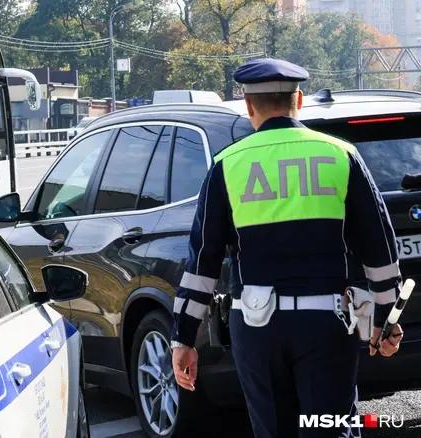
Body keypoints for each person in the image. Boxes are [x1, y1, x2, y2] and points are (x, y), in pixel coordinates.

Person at [170, 58, 404, 438]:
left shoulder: (227, 165)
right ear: (299, 99)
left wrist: (183, 337)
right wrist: (386, 321)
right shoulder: (341, 155)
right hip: (327, 326)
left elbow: (202, 264)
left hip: (256, 329)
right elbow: (380, 249)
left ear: (249, 105)